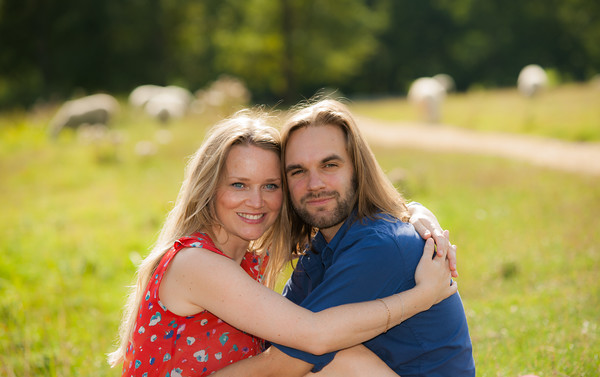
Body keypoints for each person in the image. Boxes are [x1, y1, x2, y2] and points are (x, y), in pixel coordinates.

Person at [108, 109, 457, 376]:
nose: (256, 202)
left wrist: (413, 212)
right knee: (345, 361)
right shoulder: (196, 264)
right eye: (238, 185)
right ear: (208, 189)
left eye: (271, 185)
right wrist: (422, 296)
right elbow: (316, 336)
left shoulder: (251, 259)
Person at [213, 99, 475, 377]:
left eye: (329, 165)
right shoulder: (323, 248)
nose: (315, 184)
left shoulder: (379, 247)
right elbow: (283, 334)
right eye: (298, 171)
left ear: (357, 169)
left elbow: (283, 365)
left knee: (327, 355)